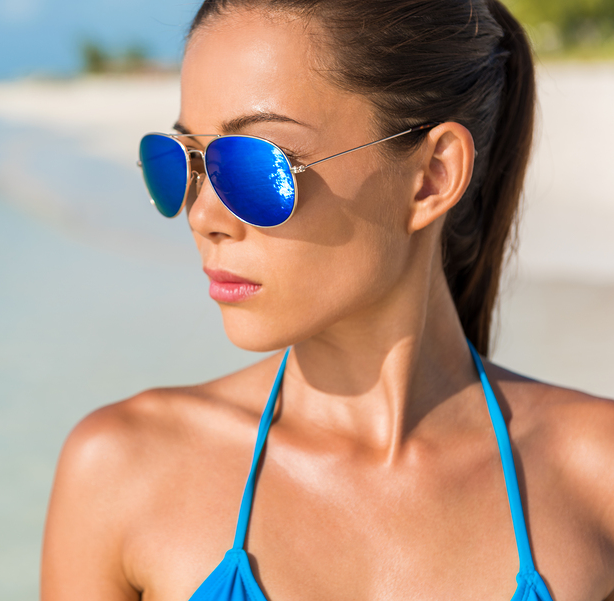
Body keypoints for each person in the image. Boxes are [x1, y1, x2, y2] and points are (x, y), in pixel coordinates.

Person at [41, 1, 614, 599]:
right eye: (182, 161)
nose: (204, 214)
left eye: (256, 164)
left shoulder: (597, 474)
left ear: (432, 176)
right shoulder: (122, 471)